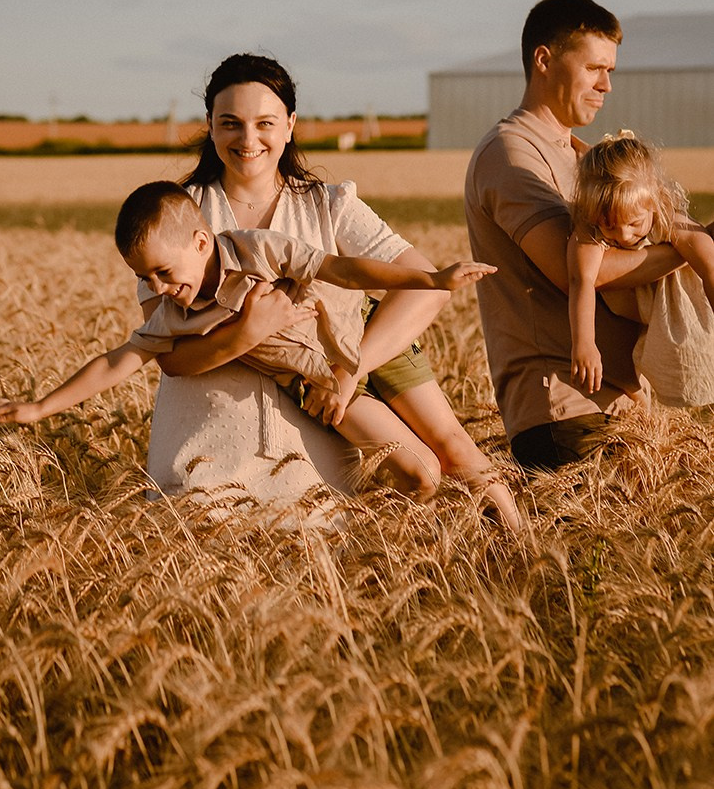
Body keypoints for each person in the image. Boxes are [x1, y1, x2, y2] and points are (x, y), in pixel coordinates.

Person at [137, 53, 521, 527]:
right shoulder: (173, 217)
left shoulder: (329, 205)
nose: (248, 138)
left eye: (265, 122)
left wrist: (347, 370)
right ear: (210, 126)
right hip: (205, 461)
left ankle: (519, 547)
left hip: (312, 468)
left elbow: (424, 285)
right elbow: (170, 355)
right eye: (230, 123)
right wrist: (248, 332)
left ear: (291, 124)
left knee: (448, 455)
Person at [0, 181, 497, 499]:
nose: (156, 288)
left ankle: (515, 531)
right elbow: (118, 360)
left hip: (361, 338)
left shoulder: (256, 250)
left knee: (454, 446)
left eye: (162, 271)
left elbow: (339, 268)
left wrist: (432, 279)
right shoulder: (173, 315)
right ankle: (418, 553)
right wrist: (40, 408)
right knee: (422, 474)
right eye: (145, 278)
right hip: (316, 382)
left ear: (202, 241)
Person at [465, 0, 688, 472]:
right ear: (544, 60)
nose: (607, 85)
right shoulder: (512, 153)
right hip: (566, 408)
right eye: (594, 68)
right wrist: (686, 249)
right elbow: (582, 272)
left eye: (611, 71)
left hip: (616, 409)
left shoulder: (584, 155)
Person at [569, 131, 714, 407]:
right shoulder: (588, 228)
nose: (623, 235)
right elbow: (581, 280)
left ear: (655, 200)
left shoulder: (667, 215)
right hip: (624, 316)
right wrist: (584, 343)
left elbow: (708, 264)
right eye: (609, 226)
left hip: (672, 308)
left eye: (634, 223)